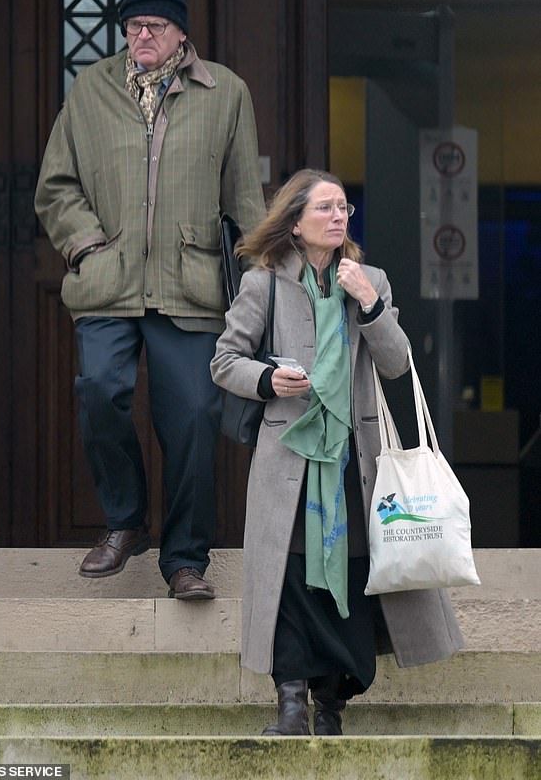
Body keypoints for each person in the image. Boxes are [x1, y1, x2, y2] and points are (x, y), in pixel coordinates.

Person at [35, 0, 266, 600]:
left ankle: (186, 559)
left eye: (154, 25)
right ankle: (125, 521)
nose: (141, 35)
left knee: (193, 415)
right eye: (133, 25)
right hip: (108, 283)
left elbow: (247, 199)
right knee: (99, 390)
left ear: (180, 32)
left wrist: (258, 286)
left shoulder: (227, 94)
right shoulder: (90, 90)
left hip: (190, 286)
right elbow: (56, 185)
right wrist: (87, 247)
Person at [211, 169, 464, 734]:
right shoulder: (264, 283)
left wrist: (370, 303)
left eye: (344, 207)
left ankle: (332, 703)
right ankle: (291, 702)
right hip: (289, 460)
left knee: (350, 573)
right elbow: (225, 361)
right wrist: (269, 379)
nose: (338, 216)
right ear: (295, 223)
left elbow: (397, 364)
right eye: (325, 208)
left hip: (356, 459)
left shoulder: (368, 278)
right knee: (291, 576)